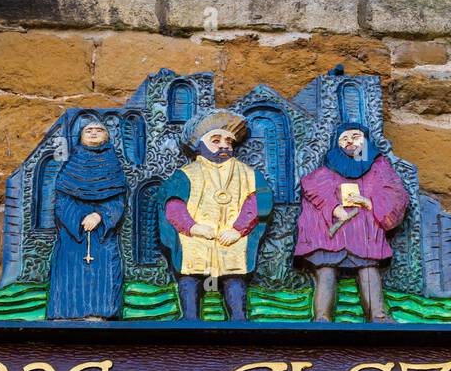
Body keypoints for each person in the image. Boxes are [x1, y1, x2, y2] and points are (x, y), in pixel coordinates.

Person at [158, 110, 272, 321]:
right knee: (190, 276)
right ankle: (190, 317)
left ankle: (238, 317)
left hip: (232, 238)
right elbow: (173, 204)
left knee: (234, 276)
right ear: (200, 144)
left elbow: (257, 202)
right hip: (195, 240)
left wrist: (239, 230)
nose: (223, 145)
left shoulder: (248, 173)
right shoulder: (186, 174)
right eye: (216, 140)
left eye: (228, 141)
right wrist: (192, 227)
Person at [295, 122, 409, 322]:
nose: (349, 142)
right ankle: (322, 317)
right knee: (326, 270)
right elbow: (312, 185)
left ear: (365, 140)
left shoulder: (378, 166)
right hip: (331, 232)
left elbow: (394, 192)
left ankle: (378, 315)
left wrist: (369, 202)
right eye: (344, 139)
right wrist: (333, 207)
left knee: (368, 270)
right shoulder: (331, 165)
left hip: (363, 230)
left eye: (355, 137)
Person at [46, 117, 127, 320]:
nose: (93, 133)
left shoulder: (112, 163)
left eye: (99, 130)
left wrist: (99, 215)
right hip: (73, 233)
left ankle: (101, 313)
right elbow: (62, 199)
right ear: (81, 137)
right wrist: (79, 219)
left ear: (107, 136)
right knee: (69, 269)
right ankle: (66, 313)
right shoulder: (71, 163)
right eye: (88, 130)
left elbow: (118, 199)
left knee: (105, 270)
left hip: (102, 233)